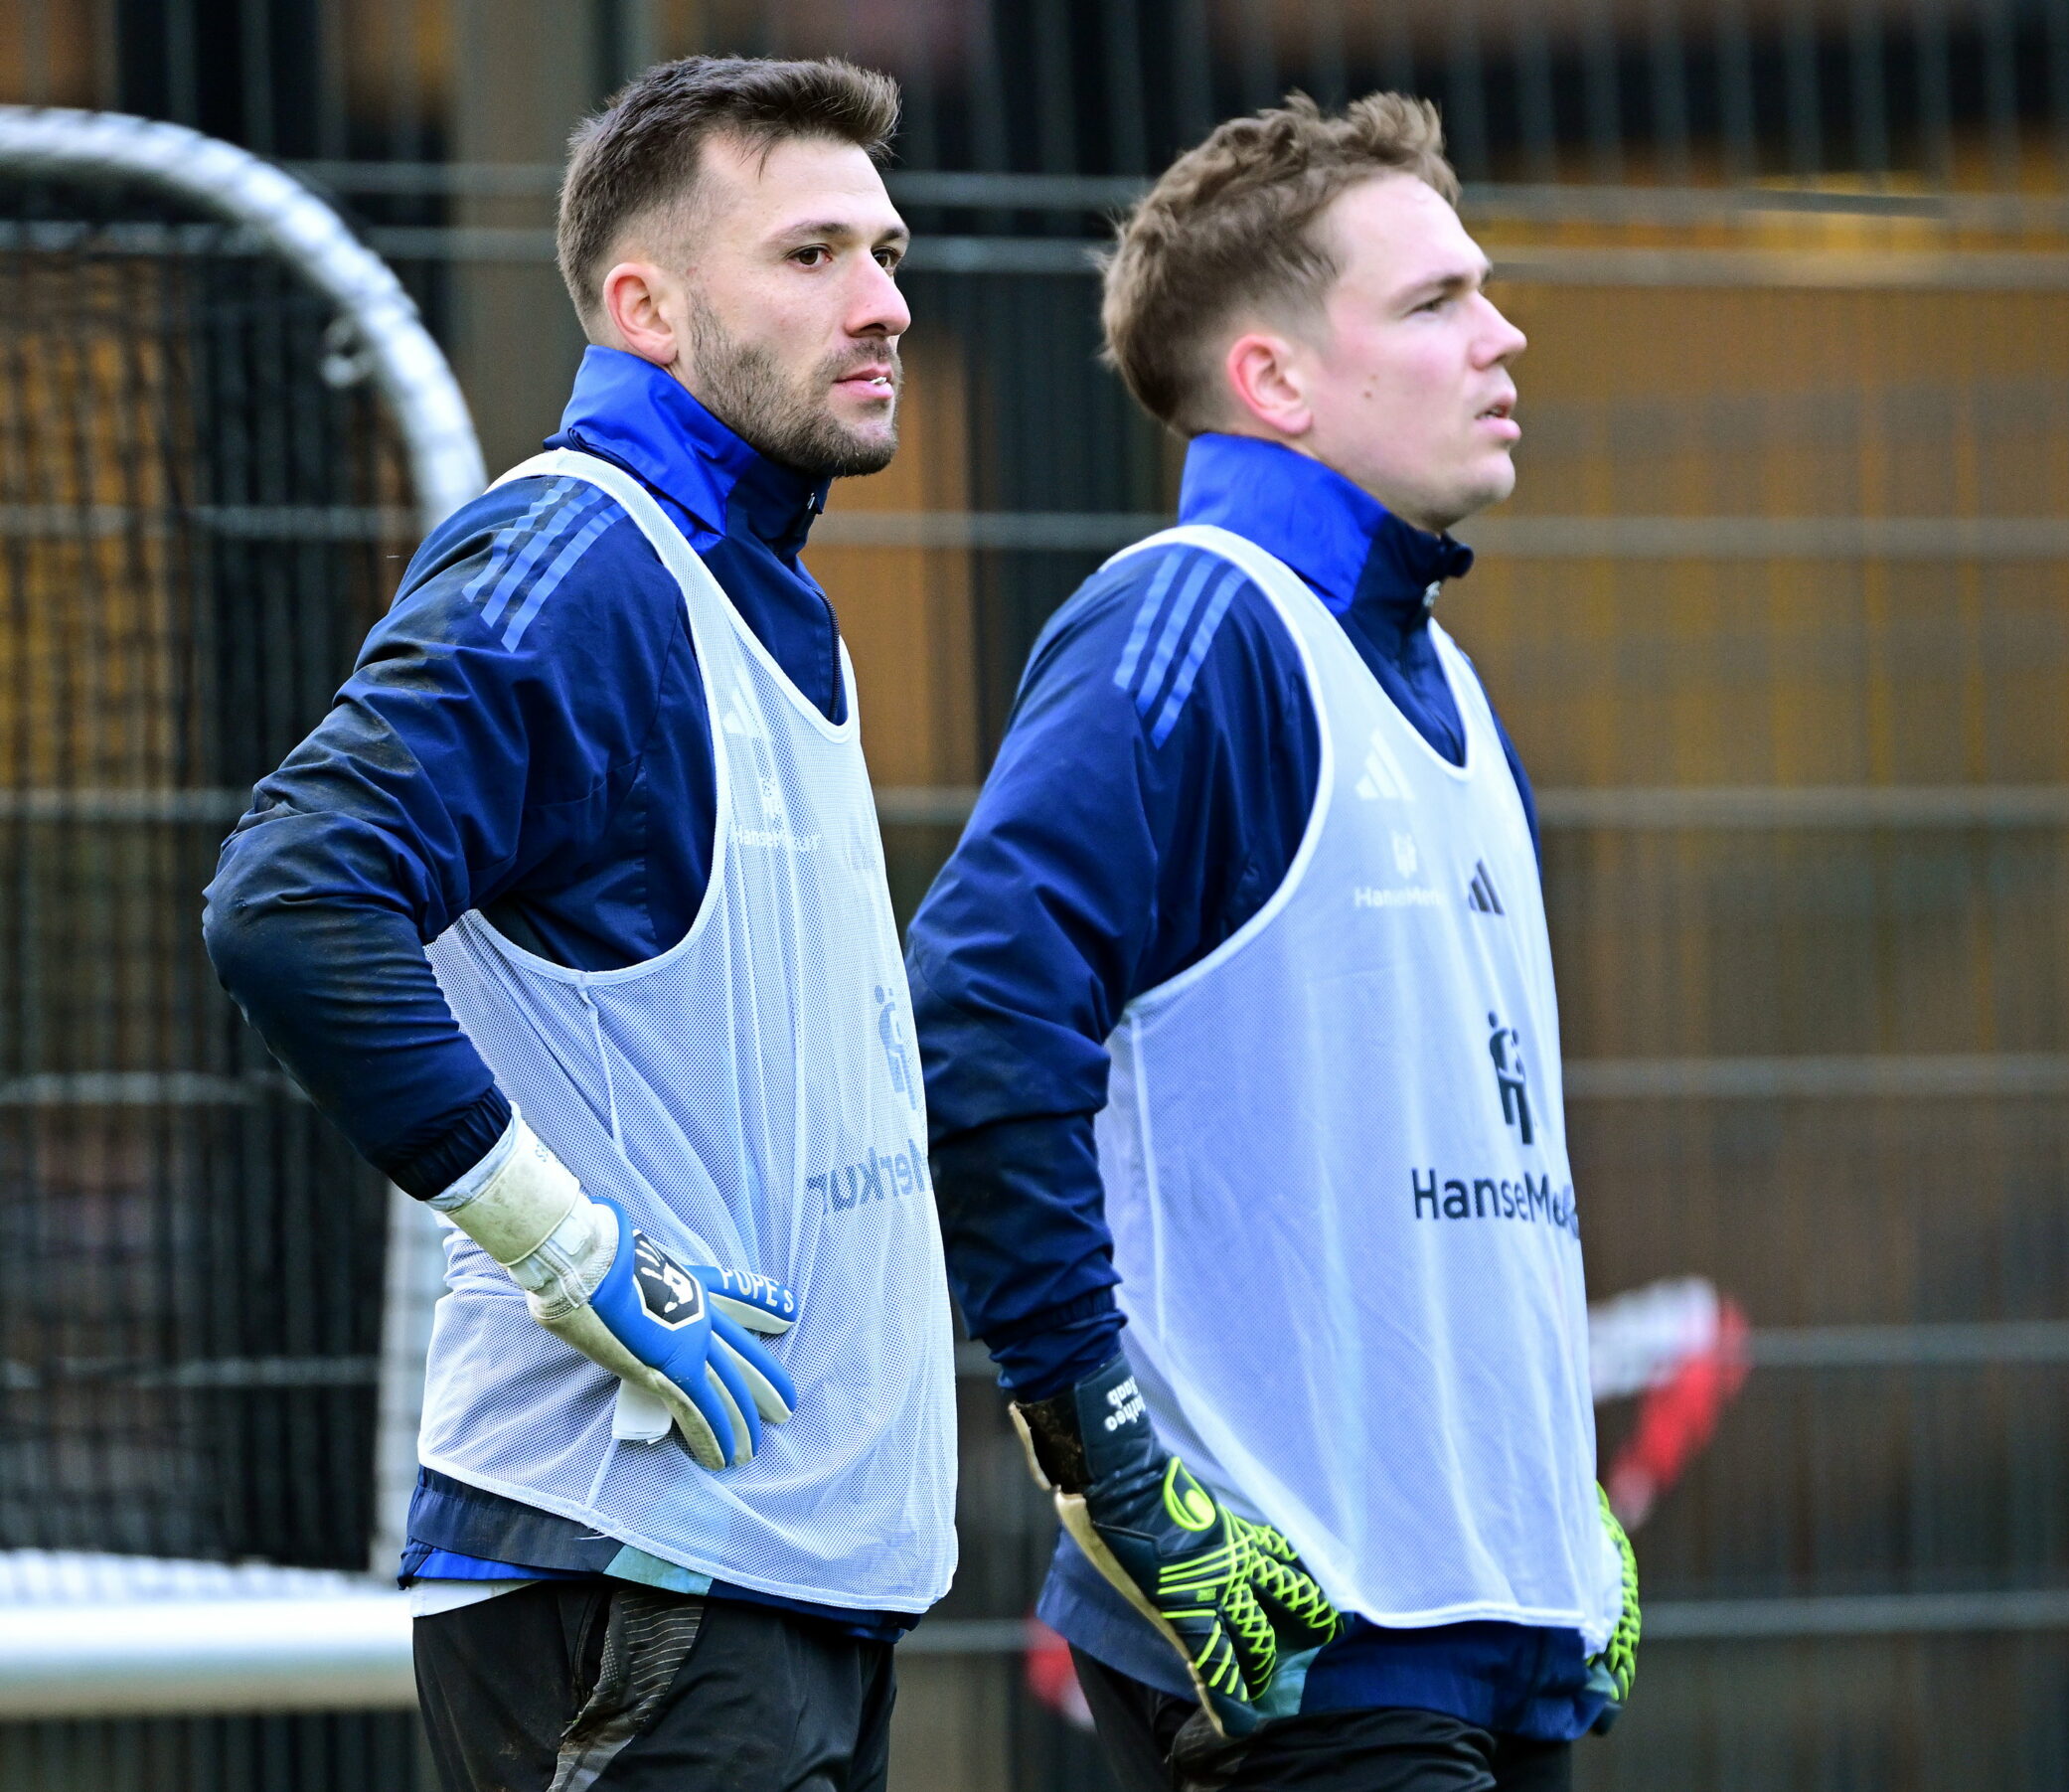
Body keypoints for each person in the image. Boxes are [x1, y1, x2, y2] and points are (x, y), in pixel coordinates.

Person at [202, 56, 954, 1792]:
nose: (886, 301)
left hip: (787, 1595)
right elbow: (295, 895)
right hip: (634, 1585)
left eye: (888, 249)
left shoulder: (774, 602)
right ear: (647, 306)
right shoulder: (579, 554)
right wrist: (570, 1246)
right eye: (815, 254)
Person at [907, 93, 1639, 1792]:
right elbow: (976, 1005)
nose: (1502, 331)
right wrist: (1104, 1451)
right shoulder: (1197, 618)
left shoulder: (1447, 683)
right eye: (1436, 302)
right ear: (1277, 382)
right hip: (1303, 1634)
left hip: (1484, 1627)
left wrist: (1552, 1486)